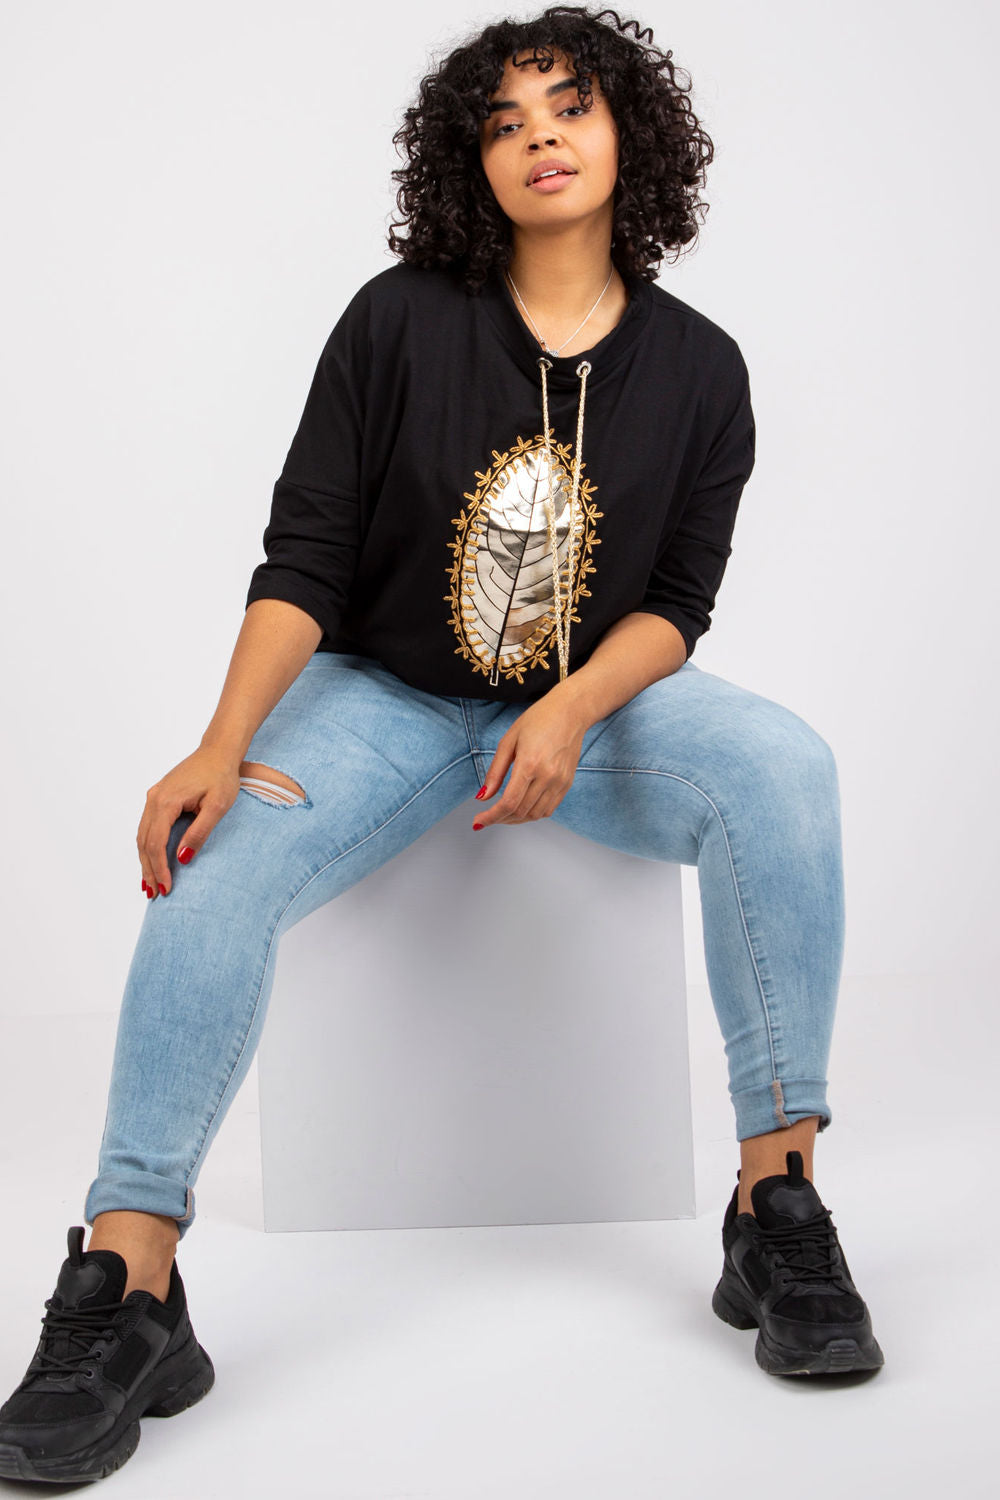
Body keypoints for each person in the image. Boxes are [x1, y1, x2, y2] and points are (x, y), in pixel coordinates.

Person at [0, 3, 884, 1484]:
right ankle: (131, 1282)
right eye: (505, 121)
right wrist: (221, 741)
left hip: (595, 708)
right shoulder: (397, 319)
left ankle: (775, 1206)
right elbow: (306, 554)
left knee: (786, 769)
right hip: (388, 699)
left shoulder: (702, 369)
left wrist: (571, 707)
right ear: (468, 162)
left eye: (572, 107)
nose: (542, 138)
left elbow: (677, 605)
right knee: (215, 855)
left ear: (631, 137)